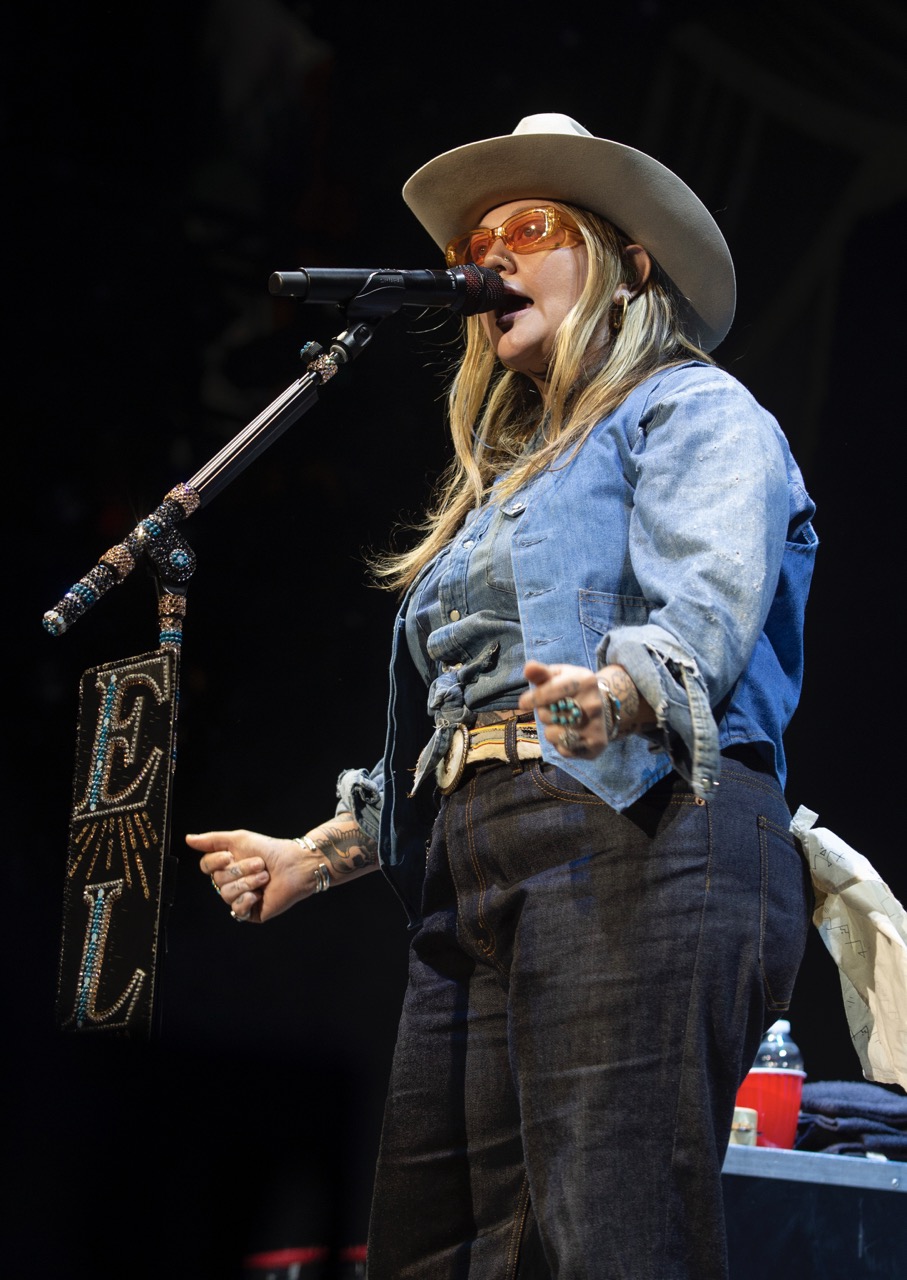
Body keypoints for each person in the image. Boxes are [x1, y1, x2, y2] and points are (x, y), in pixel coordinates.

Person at [187, 113, 818, 1279]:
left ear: (628, 265)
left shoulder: (694, 409)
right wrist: (318, 853)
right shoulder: (505, 485)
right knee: (434, 1248)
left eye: (531, 230)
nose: (489, 259)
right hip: (477, 857)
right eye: (475, 243)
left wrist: (618, 691)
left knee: (614, 1234)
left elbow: (710, 595)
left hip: (641, 827)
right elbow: (467, 722)